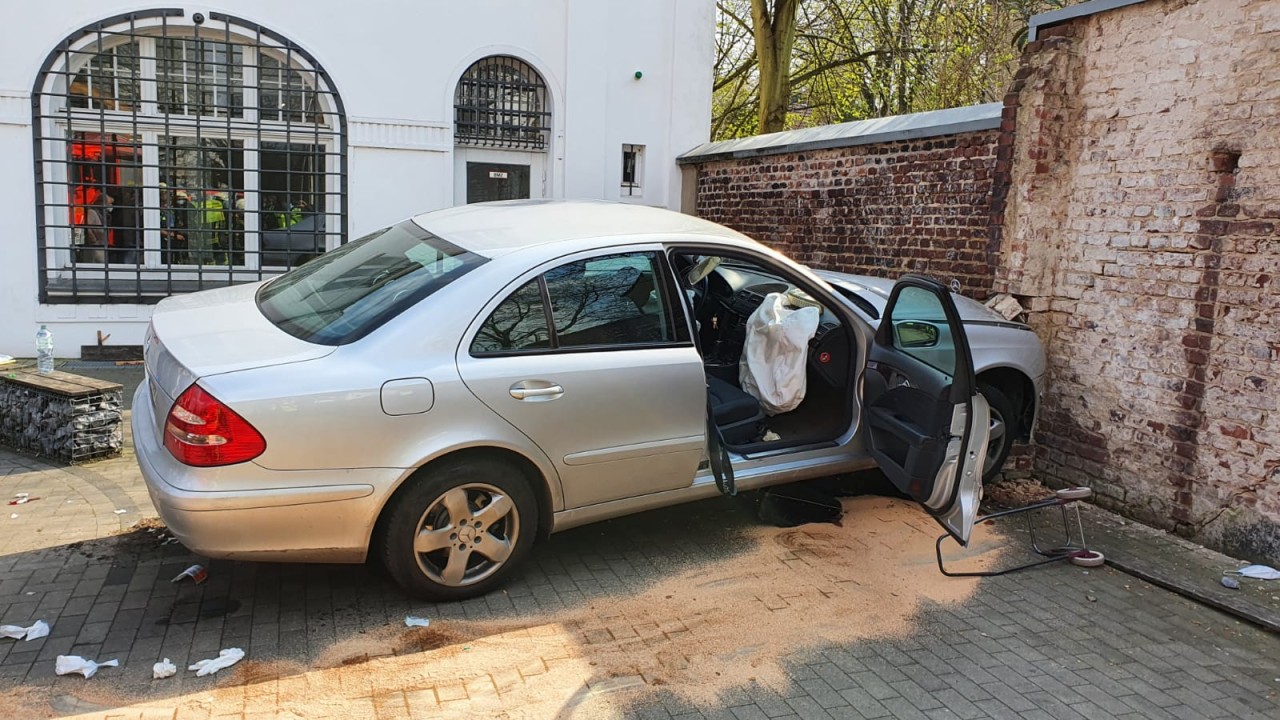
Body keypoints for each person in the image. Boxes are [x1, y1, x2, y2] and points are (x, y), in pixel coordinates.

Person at [76, 192, 113, 264]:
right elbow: (86, 228)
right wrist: (93, 241)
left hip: (101, 248)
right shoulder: (92, 213)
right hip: (94, 250)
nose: (110, 206)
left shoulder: (103, 216)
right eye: (108, 204)